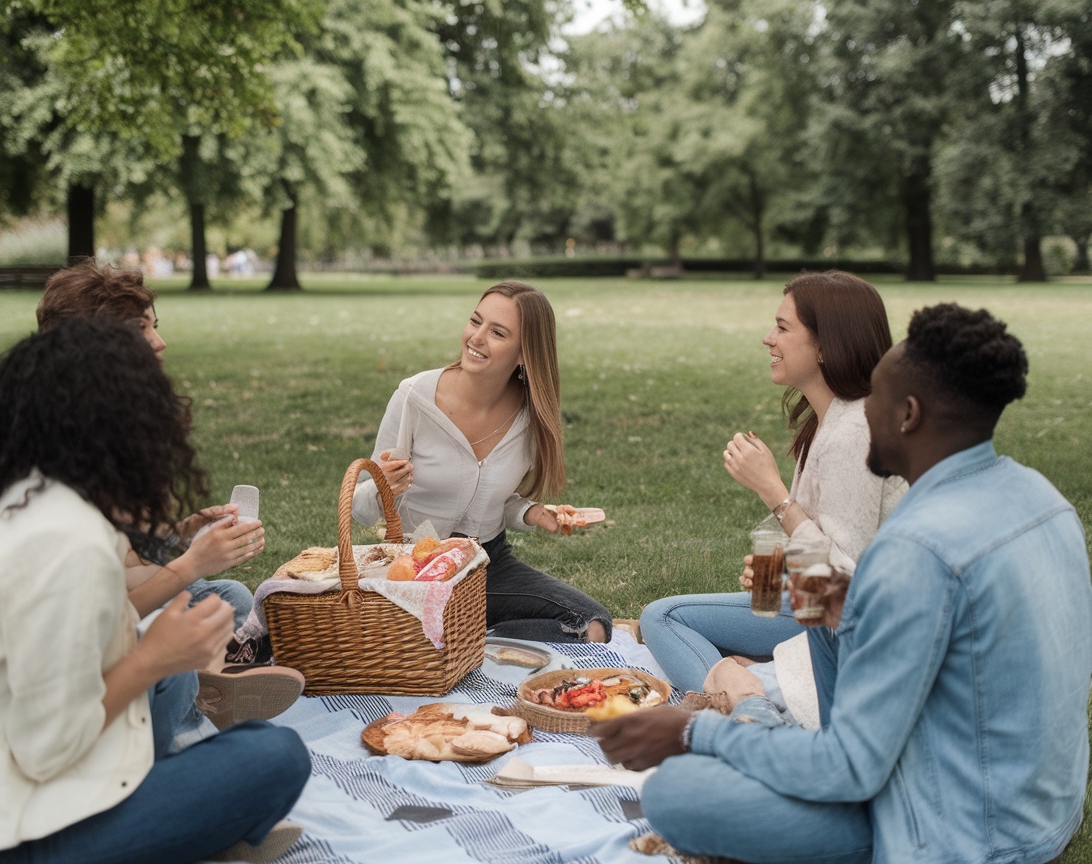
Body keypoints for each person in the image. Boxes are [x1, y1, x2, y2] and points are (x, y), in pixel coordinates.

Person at [592, 303, 1092, 864]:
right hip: (1039, 807)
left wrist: (693, 734)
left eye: (874, 395)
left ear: (906, 413)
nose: (859, 412)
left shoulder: (919, 549)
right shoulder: (1044, 499)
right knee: (819, 601)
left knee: (675, 794)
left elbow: (851, 769)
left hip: (962, 832)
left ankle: (754, 710)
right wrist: (826, 598)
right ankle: (761, 718)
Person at [0, 318, 311, 863]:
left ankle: (178, 810)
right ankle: (189, 832)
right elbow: (46, 748)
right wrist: (155, 655)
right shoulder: (70, 544)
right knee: (274, 755)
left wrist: (160, 658)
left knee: (165, 684)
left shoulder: (8, 500)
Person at [37, 259, 303, 732]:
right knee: (179, 654)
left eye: (156, 327)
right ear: (93, 345)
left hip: (116, 604)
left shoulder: (119, 424)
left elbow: (130, 556)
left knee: (226, 597)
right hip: (71, 645)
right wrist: (190, 564)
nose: (160, 343)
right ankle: (198, 695)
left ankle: (207, 685)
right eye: (141, 330)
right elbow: (104, 610)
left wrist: (181, 535)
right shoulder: (62, 452)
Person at [640, 271, 906, 726]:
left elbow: (844, 593)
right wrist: (781, 569)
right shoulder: (830, 422)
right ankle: (746, 682)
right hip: (815, 607)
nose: (768, 338)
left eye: (783, 328)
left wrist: (773, 491)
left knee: (665, 620)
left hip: (862, 631)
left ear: (825, 345)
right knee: (666, 618)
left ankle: (751, 707)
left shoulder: (856, 434)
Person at [351, 280, 612, 643]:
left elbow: (493, 500)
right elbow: (360, 507)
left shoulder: (529, 416)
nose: (476, 337)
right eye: (476, 322)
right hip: (412, 568)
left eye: (497, 332)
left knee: (591, 625)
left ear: (524, 354)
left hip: (487, 565)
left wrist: (532, 513)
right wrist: (384, 489)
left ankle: (469, 639)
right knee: (409, 640)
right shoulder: (414, 398)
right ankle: (461, 637)